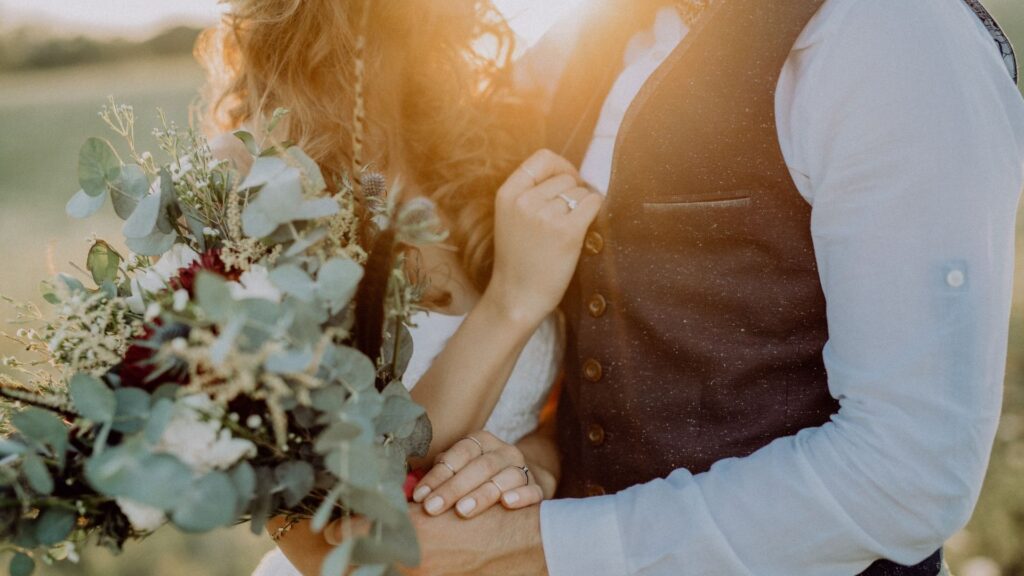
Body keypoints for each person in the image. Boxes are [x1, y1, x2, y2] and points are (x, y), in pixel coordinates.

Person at [395, 1, 1024, 575]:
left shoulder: (896, 36)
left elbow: (908, 475)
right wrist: (539, 461)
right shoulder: (591, 39)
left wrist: (539, 543)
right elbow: (606, 357)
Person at [197, 1, 600, 575]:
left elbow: (550, 413)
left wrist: (534, 466)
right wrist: (512, 300)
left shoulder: (492, 140)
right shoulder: (243, 187)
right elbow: (326, 536)